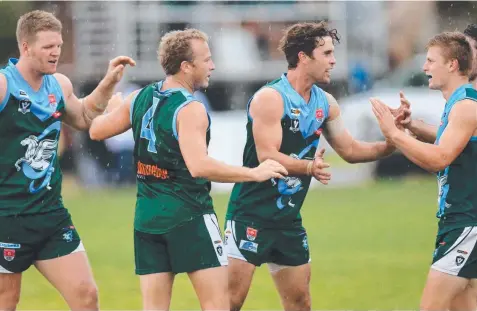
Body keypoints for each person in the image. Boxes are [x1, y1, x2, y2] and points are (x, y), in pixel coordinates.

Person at [89, 28, 287, 310]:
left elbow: (96, 130)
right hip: (189, 217)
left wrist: (111, 100)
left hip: (148, 220)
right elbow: (199, 166)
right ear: (185, 66)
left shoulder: (139, 98)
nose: (213, 65)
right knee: (217, 305)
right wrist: (253, 172)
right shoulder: (190, 108)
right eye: (206, 59)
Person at [224, 22, 395, 311]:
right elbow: (268, 154)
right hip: (250, 216)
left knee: (300, 303)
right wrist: (307, 168)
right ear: (304, 57)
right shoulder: (271, 98)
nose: (333, 60)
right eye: (326, 53)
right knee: (229, 302)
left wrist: (393, 143)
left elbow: (351, 150)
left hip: (288, 221)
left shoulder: (326, 103)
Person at [0, 10, 135, 310]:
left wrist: (109, 82)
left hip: (50, 215)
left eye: (58, 45)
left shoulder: (58, 85)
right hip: (7, 216)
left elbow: (86, 117)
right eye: (48, 46)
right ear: (25, 46)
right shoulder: (4, 85)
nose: (56, 52)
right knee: (6, 301)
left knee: (87, 296)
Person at [371, 31, 477, 311]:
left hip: (467, 224)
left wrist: (394, 134)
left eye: (431, 60)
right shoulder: (459, 103)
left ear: (452, 65)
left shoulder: (466, 106)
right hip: (460, 220)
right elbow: (449, 142)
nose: (424, 67)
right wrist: (411, 126)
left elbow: (439, 158)